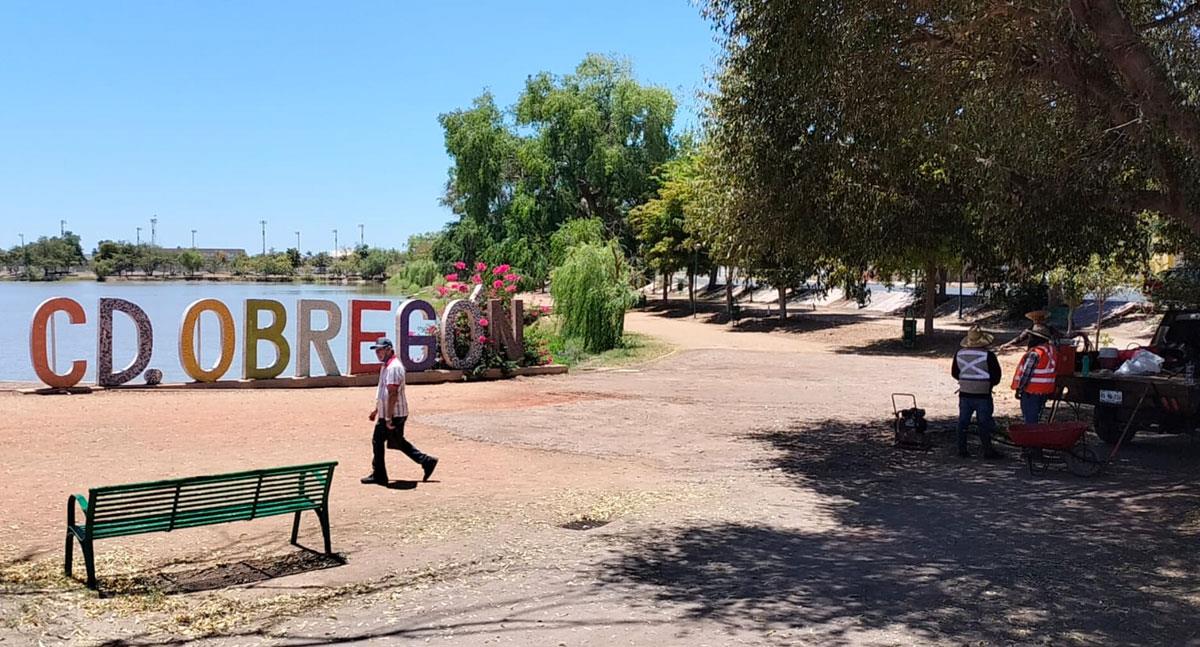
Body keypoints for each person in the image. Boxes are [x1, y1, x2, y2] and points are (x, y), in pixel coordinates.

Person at [361, 338, 438, 485]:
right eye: (377, 350)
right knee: (393, 442)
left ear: (389, 349)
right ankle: (425, 461)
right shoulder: (387, 366)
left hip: (394, 414)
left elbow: (392, 393)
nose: (378, 353)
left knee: (384, 441)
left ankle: (380, 475)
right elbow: (383, 391)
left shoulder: (394, 368)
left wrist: (388, 418)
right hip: (388, 413)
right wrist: (377, 409)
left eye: (381, 350)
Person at [951, 326, 1004, 459]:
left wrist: (966, 380)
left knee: (963, 422)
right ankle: (987, 450)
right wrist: (988, 384)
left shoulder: (959, 354)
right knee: (984, 423)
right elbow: (996, 375)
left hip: (965, 393)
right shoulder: (988, 355)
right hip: (983, 394)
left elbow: (954, 373)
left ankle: (961, 449)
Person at [1011, 323, 1058, 424]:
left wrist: (1020, 389)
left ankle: (1031, 438)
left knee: (1030, 420)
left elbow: (1027, 373)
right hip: (1044, 390)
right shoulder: (1051, 350)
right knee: (1035, 416)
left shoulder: (1035, 353)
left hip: (1031, 391)